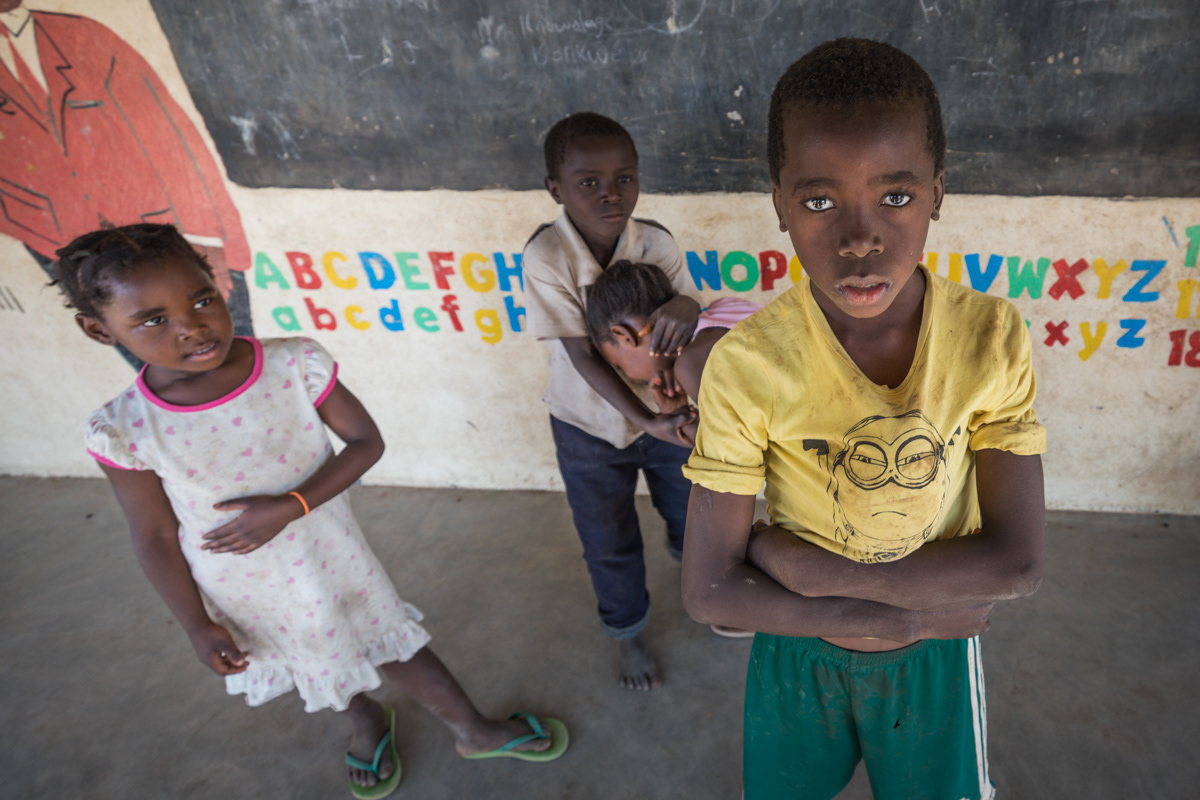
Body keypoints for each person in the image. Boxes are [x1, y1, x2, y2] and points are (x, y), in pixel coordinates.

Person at [57, 223, 568, 800]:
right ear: (98, 329)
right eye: (153, 319)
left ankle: (471, 730)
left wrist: (290, 507)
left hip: (332, 554)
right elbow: (152, 534)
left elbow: (366, 442)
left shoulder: (293, 364)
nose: (191, 326)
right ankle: (366, 720)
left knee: (393, 641)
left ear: (219, 284)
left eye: (202, 300)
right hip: (241, 584)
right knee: (311, 659)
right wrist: (196, 624)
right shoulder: (123, 429)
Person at [680, 39, 1046, 800]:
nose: (859, 238)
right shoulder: (749, 363)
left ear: (938, 192)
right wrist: (915, 618)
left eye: (897, 196)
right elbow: (710, 590)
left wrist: (802, 569)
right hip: (800, 656)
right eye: (819, 201)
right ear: (779, 203)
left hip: (923, 666)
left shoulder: (989, 338)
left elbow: (1015, 565)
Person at [523, 112, 699, 690]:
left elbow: (688, 325)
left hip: (667, 409)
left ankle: (699, 576)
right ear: (555, 189)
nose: (611, 194)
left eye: (625, 178)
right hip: (587, 427)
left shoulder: (656, 242)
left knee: (691, 510)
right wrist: (645, 419)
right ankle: (627, 634)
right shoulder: (547, 256)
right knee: (607, 541)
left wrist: (688, 307)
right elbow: (582, 353)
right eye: (588, 182)